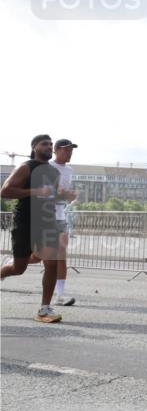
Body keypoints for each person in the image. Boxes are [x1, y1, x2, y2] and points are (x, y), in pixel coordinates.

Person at [0, 134, 70, 323]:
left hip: (46, 222)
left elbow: (50, 197)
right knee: (18, 268)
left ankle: (44, 309)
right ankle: (2, 272)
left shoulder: (53, 172)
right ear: (34, 147)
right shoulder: (25, 167)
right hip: (24, 222)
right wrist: (35, 192)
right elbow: (5, 191)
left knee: (52, 262)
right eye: (44, 144)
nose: (48, 146)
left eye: (50, 144)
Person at [50, 138, 79, 306]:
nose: (70, 153)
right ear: (56, 150)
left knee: (61, 255)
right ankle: (11, 264)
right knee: (34, 258)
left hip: (60, 216)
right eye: (66, 150)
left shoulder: (69, 170)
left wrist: (69, 195)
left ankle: (60, 295)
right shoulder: (47, 167)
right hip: (44, 216)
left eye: (71, 150)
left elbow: (63, 193)